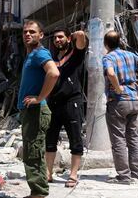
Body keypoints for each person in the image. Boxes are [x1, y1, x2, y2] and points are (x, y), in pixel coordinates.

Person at [102, 30, 138, 184]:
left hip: (118, 101)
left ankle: (124, 176)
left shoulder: (108, 57)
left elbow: (111, 73)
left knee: (118, 139)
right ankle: (137, 174)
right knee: (133, 139)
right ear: (119, 42)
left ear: (106, 44)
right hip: (134, 99)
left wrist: (117, 88)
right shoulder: (130, 55)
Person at [18, 20, 60, 198]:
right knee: (31, 152)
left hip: (36, 111)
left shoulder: (40, 53)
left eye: (32, 32)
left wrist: (40, 98)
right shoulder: (31, 55)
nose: (28, 34)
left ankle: (39, 192)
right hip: (30, 112)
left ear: (41, 35)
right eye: (25, 32)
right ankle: (37, 191)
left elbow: (54, 72)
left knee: (34, 153)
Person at [45, 28, 87, 187]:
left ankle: (73, 175)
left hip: (72, 102)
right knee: (50, 141)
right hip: (53, 103)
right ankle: (48, 173)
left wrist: (77, 35)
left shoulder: (75, 54)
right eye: (55, 38)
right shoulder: (52, 58)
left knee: (75, 140)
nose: (57, 40)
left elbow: (82, 38)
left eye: (61, 37)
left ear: (68, 39)